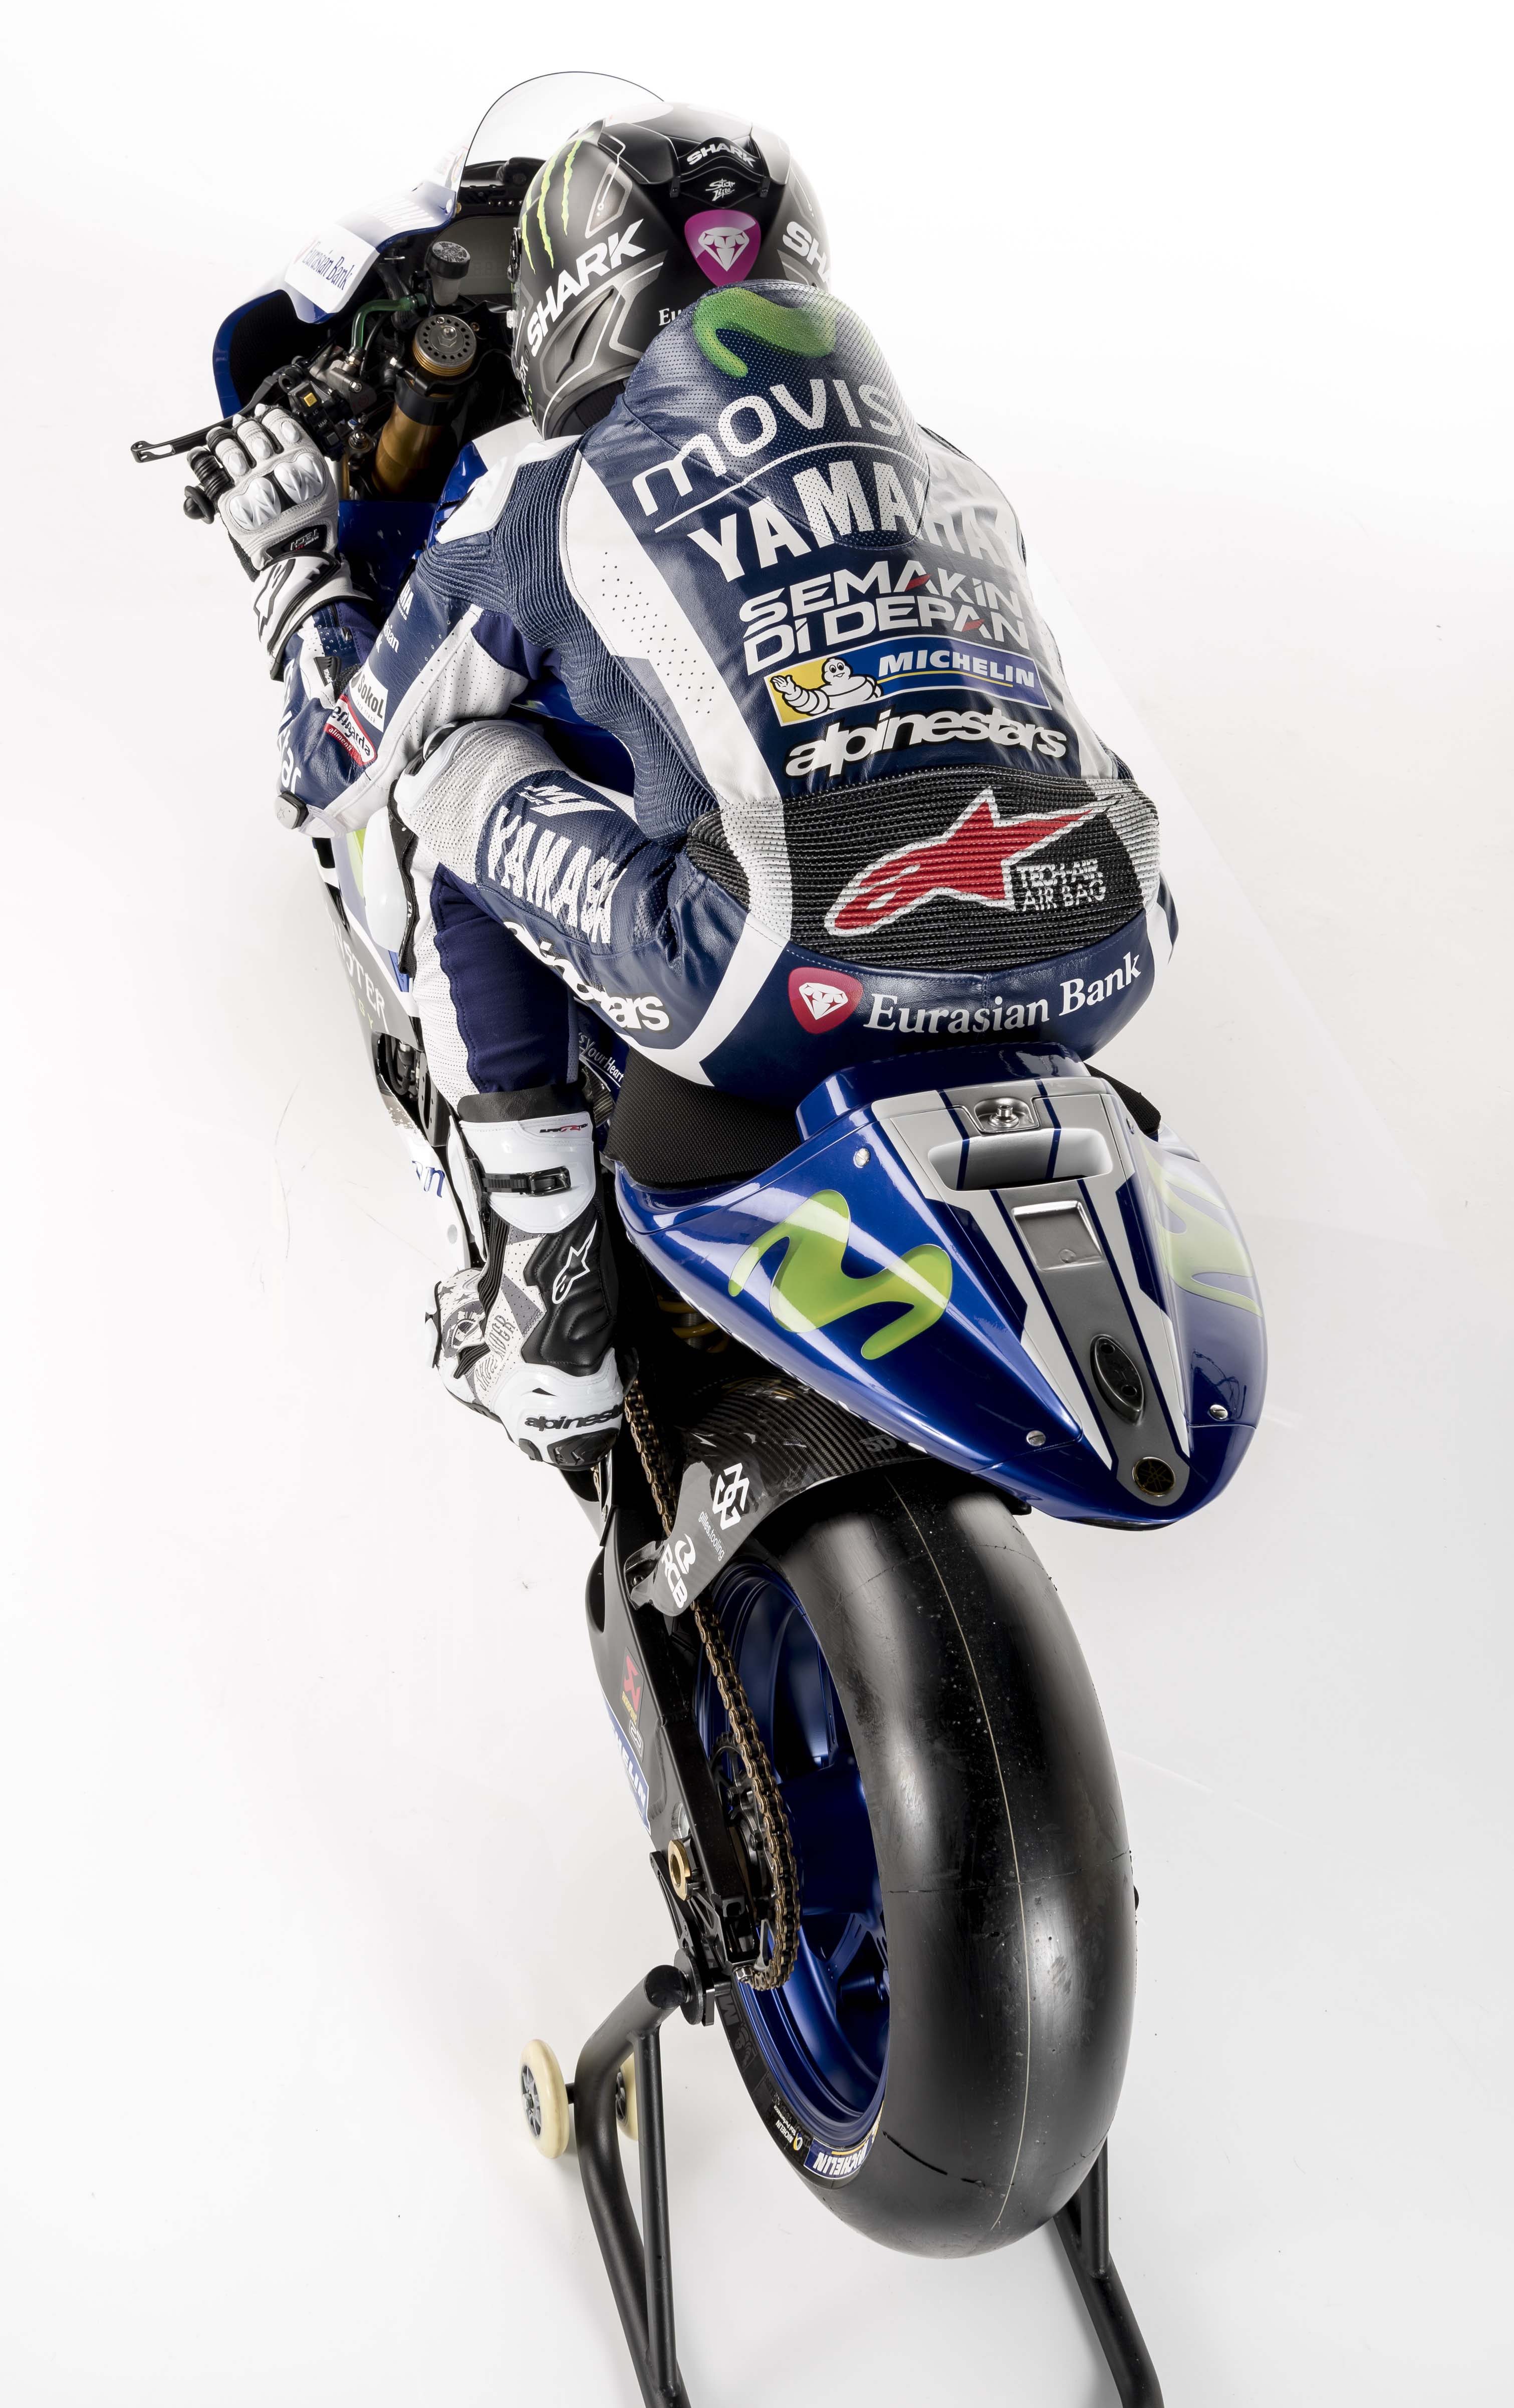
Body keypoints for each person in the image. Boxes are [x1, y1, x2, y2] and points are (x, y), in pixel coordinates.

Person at [213, 103, 1173, 1474]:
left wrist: (297, 571)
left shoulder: (538, 497)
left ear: (568, 299)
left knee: (443, 773)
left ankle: (547, 1310)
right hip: (1108, 943)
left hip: (784, 972)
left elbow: (333, 767)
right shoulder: (951, 466)